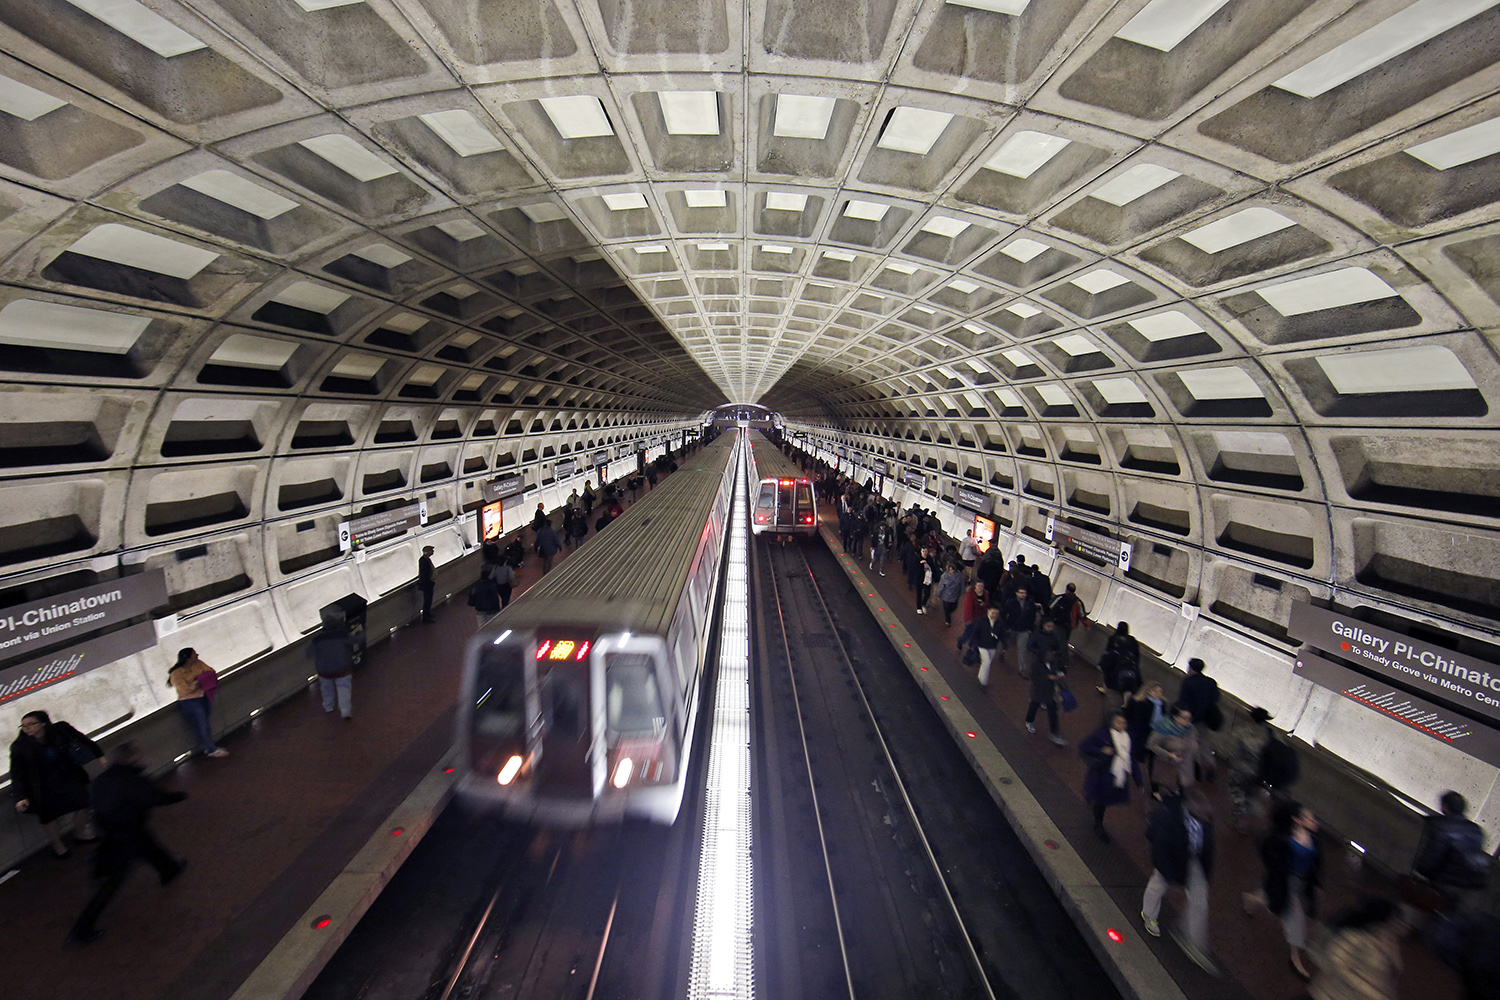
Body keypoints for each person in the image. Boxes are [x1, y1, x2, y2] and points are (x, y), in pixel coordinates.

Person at [68, 741, 187, 945]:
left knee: (150, 848)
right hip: (128, 831)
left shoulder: (103, 779)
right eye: (137, 752)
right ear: (131, 757)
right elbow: (156, 797)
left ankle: (169, 870)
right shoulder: (132, 779)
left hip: (113, 831)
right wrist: (180, 795)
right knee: (114, 880)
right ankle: (82, 929)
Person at [1142, 788, 1219, 975]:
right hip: (1170, 855)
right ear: (1191, 809)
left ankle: (1193, 939)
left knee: (1199, 900)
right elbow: (1159, 850)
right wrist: (1168, 875)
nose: (1206, 819)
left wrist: (1205, 876)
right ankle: (1149, 915)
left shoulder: (1205, 821)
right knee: (1157, 886)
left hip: (1191, 859)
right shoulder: (1169, 819)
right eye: (1202, 815)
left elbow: (1207, 849)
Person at [1244, 800, 1322, 980]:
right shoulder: (1281, 839)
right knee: (1295, 919)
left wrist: (1315, 885)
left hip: (1300, 882)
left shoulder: (1314, 839)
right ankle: (1295, 958)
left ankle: (1250, 899)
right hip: (1284, 882)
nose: (1314, 820)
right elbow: (1270, 858)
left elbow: (1316, 864)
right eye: (1308, 817)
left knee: (1268, 897)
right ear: (1297, 820)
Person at [10, 711, 99, 857]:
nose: (27, 728)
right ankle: (58, 846)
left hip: (68, 778)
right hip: (43, 787)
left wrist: (98, 755)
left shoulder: (57, 734)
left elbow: (79, 741)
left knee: (82, 805)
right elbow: (17, 773)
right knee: (49, 817)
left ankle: (80, 833)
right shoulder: (20, 746)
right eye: (24, 726)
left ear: (43, 723)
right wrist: (20, 796)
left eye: (31, 724)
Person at [1306, 897, 1402, 1000]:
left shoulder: (1388, 940)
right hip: (1334, 995)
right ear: (1380, 922)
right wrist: (1375, 993)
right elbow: (1340, 968)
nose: (1400, 925)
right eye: (1394, 921)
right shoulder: (1351, 938)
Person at [1413, 790, 1491, 911]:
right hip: (1472, 884)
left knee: (1425, 909)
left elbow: (1432, 855)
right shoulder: (1476, 829)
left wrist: (1420, 872)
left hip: (1446, 881)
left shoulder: (1440, 825)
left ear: (1444, 806)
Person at [1080, 709, 1140, 843]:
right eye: (1118, 722)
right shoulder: (1102, 735)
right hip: (1101, 774)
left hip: (1115, 776)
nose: (1122, 725)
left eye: (1124, 723)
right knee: (1101, 801)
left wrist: (1138, 779)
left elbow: (1132, 759)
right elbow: (1084, 746)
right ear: (1111, 722)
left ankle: (1092, 801)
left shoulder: (1128, 738)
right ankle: (1098, 824)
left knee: (1102, 799)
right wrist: (1101, 750)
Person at [168, 648, 227, 758]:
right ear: (188, 658)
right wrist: (199, 681)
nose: (197, 656)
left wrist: (200, 681)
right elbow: (186, 689)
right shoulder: (176, 674)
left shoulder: (198, 664)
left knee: (205, 721)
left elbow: (210, 672)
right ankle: (209, 749)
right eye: (194, 654)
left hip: (203, 696)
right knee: (201, 724)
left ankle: (210, 745)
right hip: (189, 701)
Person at [1226, 706, 1276, 832]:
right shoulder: (1272, 736)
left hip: (1240, 771)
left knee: (1238, 796)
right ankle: (1251, 819)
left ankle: (1239, 822)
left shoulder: (1242, 732)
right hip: (1260, 773)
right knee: (1252, 796)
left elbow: (1230, 751)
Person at [1177, 657, 1221, 779]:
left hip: (1190, 719)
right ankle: (1210, 767)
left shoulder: (1188, 682)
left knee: (1188, 745)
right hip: (1204, 720)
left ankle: (1195, 770)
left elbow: (1183, 701)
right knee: (1205, 744)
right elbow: (1216, 698)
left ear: (1190, 668)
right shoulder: (1210, 682)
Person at [309, 619, 357, 720]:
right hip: (342, 669)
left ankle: (328, 706)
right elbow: (356, 641)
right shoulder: (343, 635)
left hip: (324, 670)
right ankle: (345, 711)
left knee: (326, 689)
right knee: (344, 689)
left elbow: (309, 652)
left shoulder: (318, 639)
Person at [1024, 636, 1068, 746]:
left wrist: (1058, 676)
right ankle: (1029, 721)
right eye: (1049, 654)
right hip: (1038, 690)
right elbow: (1034, 678)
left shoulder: (1054, 664)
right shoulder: (1036, 665)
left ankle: (1054, 731)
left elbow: (1058, 671)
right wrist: (1048, 677)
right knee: (1034, 705)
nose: (1051, 656)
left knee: (1052, 710)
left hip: (1049, 691)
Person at [1147, 703, 1197, 798]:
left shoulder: (1191, 729)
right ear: (1175, 717)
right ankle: (1156, 792)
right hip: (1166, 763)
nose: (1188, 721)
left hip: (1183, 763)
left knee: (1179, 783)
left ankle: (1174, 790)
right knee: (1163, 780)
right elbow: (1151, 744)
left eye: (1189, 718)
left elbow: (1194, 741)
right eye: (1184, 718)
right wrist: (1169, 754)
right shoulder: (1163, 728)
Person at [1002, 585, 1038, 678]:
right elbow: (1004, 614)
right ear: (1016, 593)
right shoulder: (1010, 603)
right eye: (1021, 593)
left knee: (1022, 649)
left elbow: (1032, 616)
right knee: (1007, 643)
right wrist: (1006, 626)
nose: (1023, 595)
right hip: (1012, 628)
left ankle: (1022, 669)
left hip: (1023, 629)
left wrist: (1030, 627)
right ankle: (1003, 651)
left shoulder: (1029, 604)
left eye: (1024, 593)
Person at [1098, 622, 1140, 700]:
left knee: (1107, 674)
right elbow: (1136, 654)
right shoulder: (1132, 640)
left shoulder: (1113, 638)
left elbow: (1108, 651)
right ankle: (1125, 702)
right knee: (1128, 686)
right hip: (1128, 665)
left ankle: (1104, 688)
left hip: (1115, 664)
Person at [1049, 583, 1086, 660]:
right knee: (1064, 640)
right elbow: (1082, 615)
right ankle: (1059, 656)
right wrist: (1086, 624)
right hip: (1069, 625)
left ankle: (1061, 658)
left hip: (1058, 622)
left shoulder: (1060, 598)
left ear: (1066, 589)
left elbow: (1050, 606)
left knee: (1058, 639)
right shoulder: (1078, 601)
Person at [973, 606, 1002, 686]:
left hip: (992, 646)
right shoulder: (981, 620)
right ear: (988, 611)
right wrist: (974, 643)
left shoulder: (999, 623)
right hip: (982, 645)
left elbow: (1002, 635)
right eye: (993, 613)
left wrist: (1004, 645)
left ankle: (981, 676)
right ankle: (983, 681)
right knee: (987, 662)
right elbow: (975, 632)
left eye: (996, 613)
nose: (994, 615)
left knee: (986, 662)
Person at [937, 562, 966, 626]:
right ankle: (948, 620)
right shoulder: (944, 577)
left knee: (954, 607)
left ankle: (948, 614)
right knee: (946, 608)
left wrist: (962, 592)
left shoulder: (959, 576)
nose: (951, 571)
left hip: (955, 595)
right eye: (950, 570)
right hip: (946, 596)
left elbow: (962, 584)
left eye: (952, 569)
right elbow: (941, 586)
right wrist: (939, 594)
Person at [417, 545, 436, 623]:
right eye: (431, 550)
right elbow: (424, 573)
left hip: (428, 583)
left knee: (429, 599)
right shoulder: (423, 560)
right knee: (427, 600)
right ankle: (426, 617)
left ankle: (428, 614)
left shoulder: (426, 559)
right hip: (426, 584)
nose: (433, 552)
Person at [915, 549, 936, 615]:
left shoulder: (929, 559)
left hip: (927, 579)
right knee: (919, 593)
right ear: (921, 552)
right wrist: (920, 564)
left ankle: (923, 603)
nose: (924, 553)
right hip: (919, 579)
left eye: (926, 551)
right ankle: (919, 607)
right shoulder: (918, 558)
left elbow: (933, 568)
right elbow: (914, 567)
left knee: (927, 593)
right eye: (923, 551)